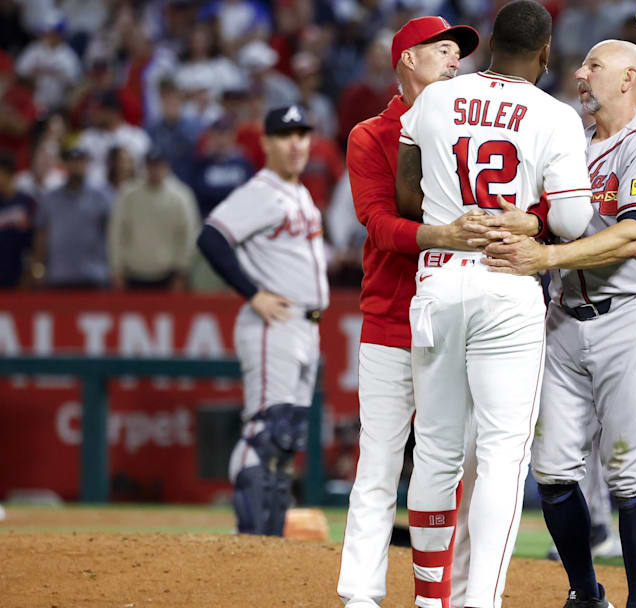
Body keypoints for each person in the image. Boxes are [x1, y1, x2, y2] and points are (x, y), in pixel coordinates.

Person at [394, 3, 594, 606]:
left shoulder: (435, 98)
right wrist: (531, 217)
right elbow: (574, 219)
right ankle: (480, 603)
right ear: (546, 52)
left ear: (490, 45)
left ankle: (432, 601)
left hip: (438, 278)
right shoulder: (553, 116)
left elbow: (405, 196)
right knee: (503, 457)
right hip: (506, 282)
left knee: (435, 449)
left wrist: (450, 217)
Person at [481, 38, 636, 608]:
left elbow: (635, 233)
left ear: (628, 80)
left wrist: (544, 256)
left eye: (594, 66)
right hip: (565, 317)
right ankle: (585, 592)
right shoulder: (571, 146)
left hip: (635, 315)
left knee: (629, 474)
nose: (579, 73)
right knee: (550, 470)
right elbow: (552, 221)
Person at [335, 15, 497, 608]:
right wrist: (445, 235)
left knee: (455, 466)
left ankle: (448, 593)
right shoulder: (370, 135)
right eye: (444, 51)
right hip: (390, 317)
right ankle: (360, 593)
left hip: (457, 320)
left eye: (459, 54)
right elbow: (378, 225)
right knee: (378, 462)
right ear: (408, 58)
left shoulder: (470, 131)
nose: (456, 61)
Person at [196, 105, 327, 536]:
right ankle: (251, 544)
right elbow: (211, 237)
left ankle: (270, 547)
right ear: (267, 143)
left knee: (286, 438)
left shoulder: (300, 192)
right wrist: (252, 294)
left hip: (306, 325)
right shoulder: (262, 191)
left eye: (303, 135)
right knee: (266, 432)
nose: (297, 144)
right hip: (277, 323)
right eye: (286, 135)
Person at [107, 147, 200, 290]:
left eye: (159, 165)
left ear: (167, 166)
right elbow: (117, 232)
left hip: (169, 274)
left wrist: (182, 271)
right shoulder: (128, 194)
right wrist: (116, 268)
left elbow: (188, 236)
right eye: (151, 165)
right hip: (132, 273)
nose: (155, 170)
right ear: (145, 167)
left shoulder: (181, 196)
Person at [31, 145, 114, 289]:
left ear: (88, 164)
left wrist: (113, 268)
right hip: (59, 275)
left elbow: (112, 234)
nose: (77, 166)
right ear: (65, 164)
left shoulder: (102, 197)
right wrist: (38, 269)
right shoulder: (50, 198)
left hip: (93, 275)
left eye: (81, 162)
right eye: (73, 161)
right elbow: (41, 235)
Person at [0, 152, 35, 288]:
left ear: (10, 175)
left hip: (18, 270)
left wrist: (29, 270)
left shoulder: (27, 203)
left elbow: (33, 239)